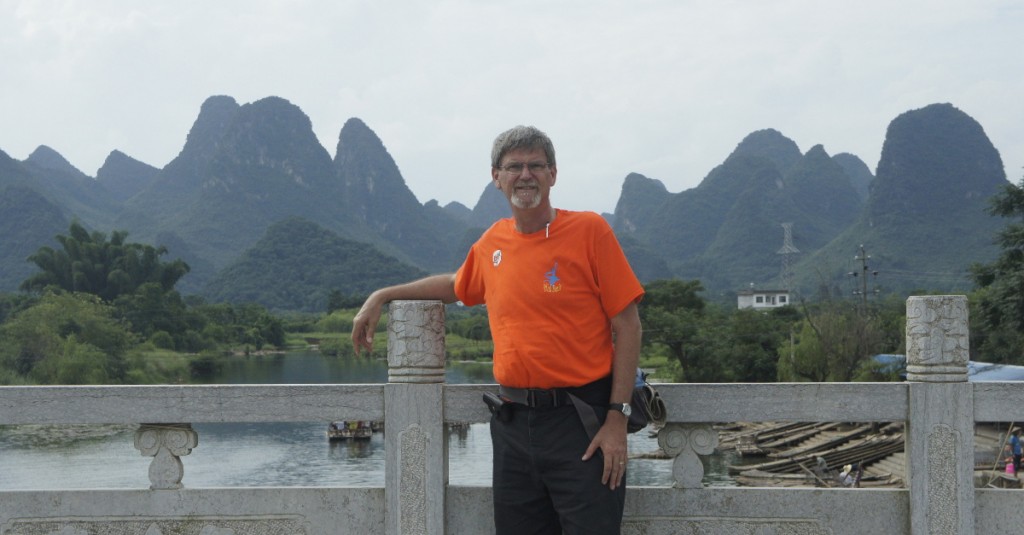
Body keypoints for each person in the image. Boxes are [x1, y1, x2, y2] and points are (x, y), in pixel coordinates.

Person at [352, 125, 644, 534]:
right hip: (513, 424)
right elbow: (455, 286)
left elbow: (628, 324)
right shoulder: (492, 244)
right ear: (497, 177)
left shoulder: (589, 231)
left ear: (553, 174)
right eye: (514, 167)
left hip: (582, 421)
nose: (526, 175)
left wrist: (617, 418)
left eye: (536, 165)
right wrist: (382, 295)